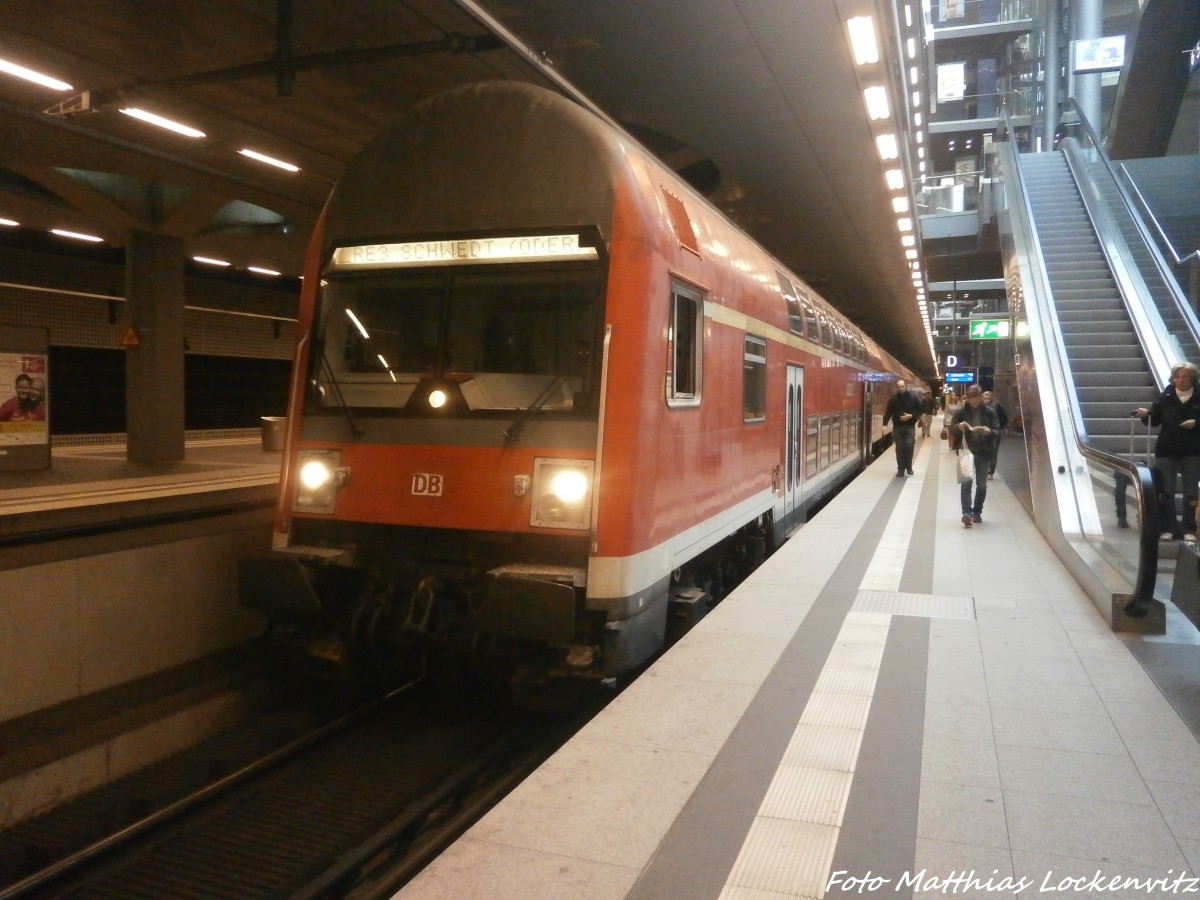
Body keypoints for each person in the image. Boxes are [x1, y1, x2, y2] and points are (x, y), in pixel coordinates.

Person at [1135, 362, 1200, 542]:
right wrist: (1146, 414)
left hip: (1193, 450)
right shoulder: (1166, 396)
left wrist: (1196, 423)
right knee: (1167, 490)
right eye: (1177, 377)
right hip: (1167, 448)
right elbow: (1155, 419)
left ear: (1193, 378)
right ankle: (1168, 527)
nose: (1180, 380)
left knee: (1191, 490)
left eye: (1185, 376)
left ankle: (1189, 527)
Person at [951, 384, 1000, 527]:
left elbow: (998, 430)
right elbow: (952, 429)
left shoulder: (990, 412)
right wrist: (958, 427)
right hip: (966, 451)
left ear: (980, 397)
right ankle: (967, 513)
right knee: (966, 483)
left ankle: (977, 511)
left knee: (981, 485)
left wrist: (989, 431)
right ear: (968, 398)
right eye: (972, 398)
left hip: (984, 452)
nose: (975, 401)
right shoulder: (961, 412)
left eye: (977, 398)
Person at [882, 378, 924, 477]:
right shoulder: (893, 399)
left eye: (902, 386)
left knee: (909, 446)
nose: (901, 388)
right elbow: (888, 412)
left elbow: (920, 411)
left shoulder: (913, 398)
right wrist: (884, 424)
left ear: (905, 386)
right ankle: (900, 469)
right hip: (898, 427)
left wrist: (911, 416)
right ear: (897, 388)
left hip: (909, 426)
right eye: (899, 387)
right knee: (899, 448)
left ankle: (909, 467)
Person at [982, 390, 1008, 479]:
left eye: (988, 398)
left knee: (993, 452)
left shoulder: (997, 407)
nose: (986, 400)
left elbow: (1004, 418)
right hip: (983, 432)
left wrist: (999, 427)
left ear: (991, 398)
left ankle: (990, 472)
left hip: (994, 432)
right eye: (985, 398)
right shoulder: (980, 408)